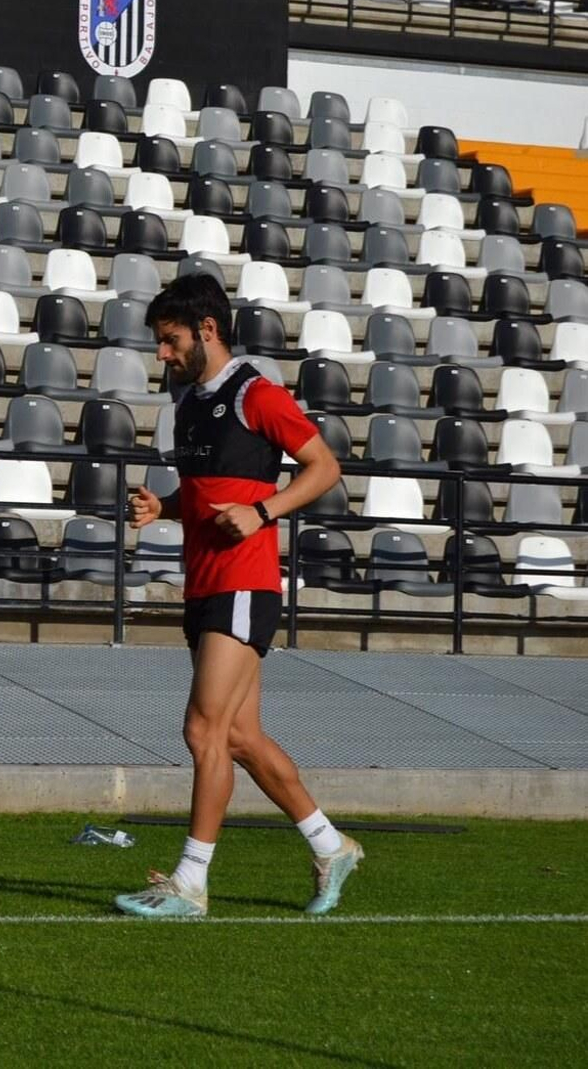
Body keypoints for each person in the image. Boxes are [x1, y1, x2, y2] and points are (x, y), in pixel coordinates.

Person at [113, 273, 363, 919]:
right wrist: (163, 506)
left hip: (245, 583)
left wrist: (263, 510)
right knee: (242, 737)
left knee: (203, 728)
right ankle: (331, 845)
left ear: (207, 330)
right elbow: (206, 495)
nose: (161, 355)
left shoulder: (258, 393)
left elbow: (326, 467)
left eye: (169, 341)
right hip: (205, 582)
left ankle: (191, 881)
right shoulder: (190, 400)